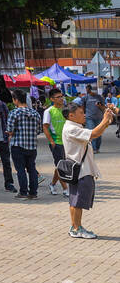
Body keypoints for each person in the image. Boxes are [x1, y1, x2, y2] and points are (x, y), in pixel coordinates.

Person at [61, 98, 117, 238]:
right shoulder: (71, 128)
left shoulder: (75, 126)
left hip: (81, 169)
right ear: (71, 115)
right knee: (78, 201)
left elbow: (95, 132)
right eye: (81, 112)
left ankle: (75, 226)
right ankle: (76, 228)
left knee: (76, 200)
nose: (84, 115)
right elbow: (94, 134)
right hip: (81, 170)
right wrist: (105, 119)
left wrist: (107, 119)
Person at [6, 89, 41, 200]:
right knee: (31, 169)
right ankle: (33, 192)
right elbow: (39, 130)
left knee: (20, 170)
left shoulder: (14, 113)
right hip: (32, 146)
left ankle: (23, 192)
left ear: (15, 100)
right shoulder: (35, 113)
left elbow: (10, 130)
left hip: (18, 145)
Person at [42, 87, 68, 196]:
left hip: (67, 142)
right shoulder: (48, 111)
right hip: (56, 143)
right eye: (58, 97)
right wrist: (51, 141)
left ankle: (52, 184)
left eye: (61, 96)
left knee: (61, 166)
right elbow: (45, 127)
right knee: (60, 166)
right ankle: (66, 189)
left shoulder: (66, 110)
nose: (61, 98)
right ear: (52, 99)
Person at [82, 85, 105, 153]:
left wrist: (99, 106)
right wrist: (83, 116)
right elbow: (82, 107)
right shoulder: (85, 97)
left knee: (99, 134)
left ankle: (97, 148)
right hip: (89, 118)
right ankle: (94, 149)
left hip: (98, 118)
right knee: (92, 133)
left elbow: (103, 108)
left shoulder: (99, 97)